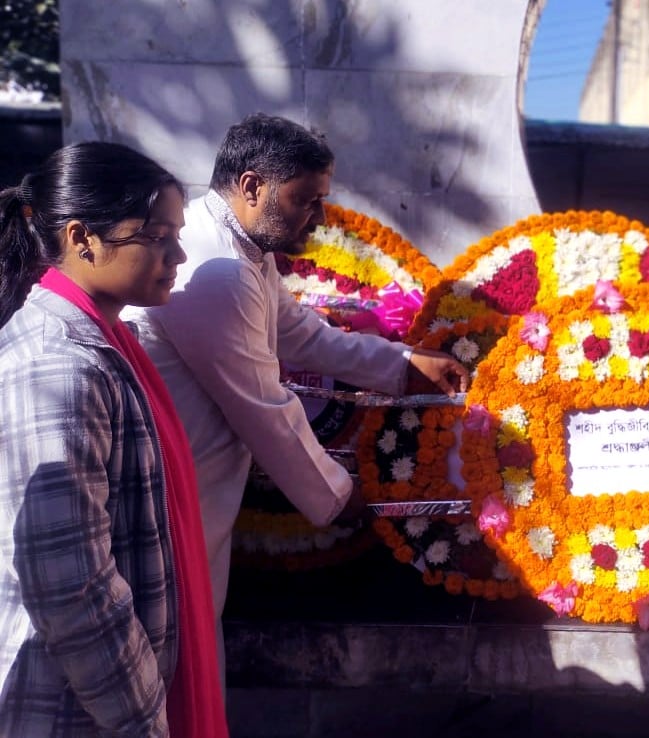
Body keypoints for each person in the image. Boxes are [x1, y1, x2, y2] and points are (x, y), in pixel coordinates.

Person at [128, 114, 469, 673]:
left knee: (182, 658)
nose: (320, 217)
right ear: (252, 186)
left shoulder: (243, 250)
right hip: (168, 495)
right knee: (166, 668)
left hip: (191, 490)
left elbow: (300, 334)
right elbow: (264, 407)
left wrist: (406, 363)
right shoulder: (218, 269)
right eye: (305, 200)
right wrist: (339, 495)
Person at [0, 143, 227, 735]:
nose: (179, 254)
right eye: (156, 235)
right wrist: (143, 719)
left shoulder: (104, 342)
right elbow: (71, 587)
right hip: (75, 708)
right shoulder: (59, 367)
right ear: (83, 240)